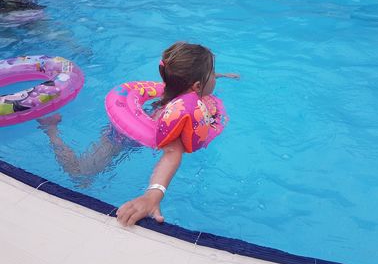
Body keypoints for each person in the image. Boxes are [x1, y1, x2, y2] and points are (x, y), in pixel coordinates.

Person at [38, 41, 239, 226]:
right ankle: (51, 129)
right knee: (81, 175)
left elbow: (195, 85)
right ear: (196, 86)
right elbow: (172, 154)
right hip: (121, 137)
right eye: (213, 73)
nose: (215, 76)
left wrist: (221, 76)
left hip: (144, 114)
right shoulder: (177, 114)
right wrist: (153, 195)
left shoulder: (180, 87)